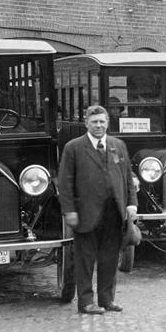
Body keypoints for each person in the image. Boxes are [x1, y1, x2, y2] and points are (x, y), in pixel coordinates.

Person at [57, 105, 138, 315]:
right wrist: (69, 211)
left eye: (102, 122)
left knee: (110, 258)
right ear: (86, 124)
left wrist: (131, 204)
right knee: (85, 260)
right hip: (86, 214)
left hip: (114, 213)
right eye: (94, 122)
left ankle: (107, 300)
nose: (99, 125)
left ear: (108, 123)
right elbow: (65, 183)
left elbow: (128, 178)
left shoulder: (117, 145)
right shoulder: (73, 147)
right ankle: (85, 303)